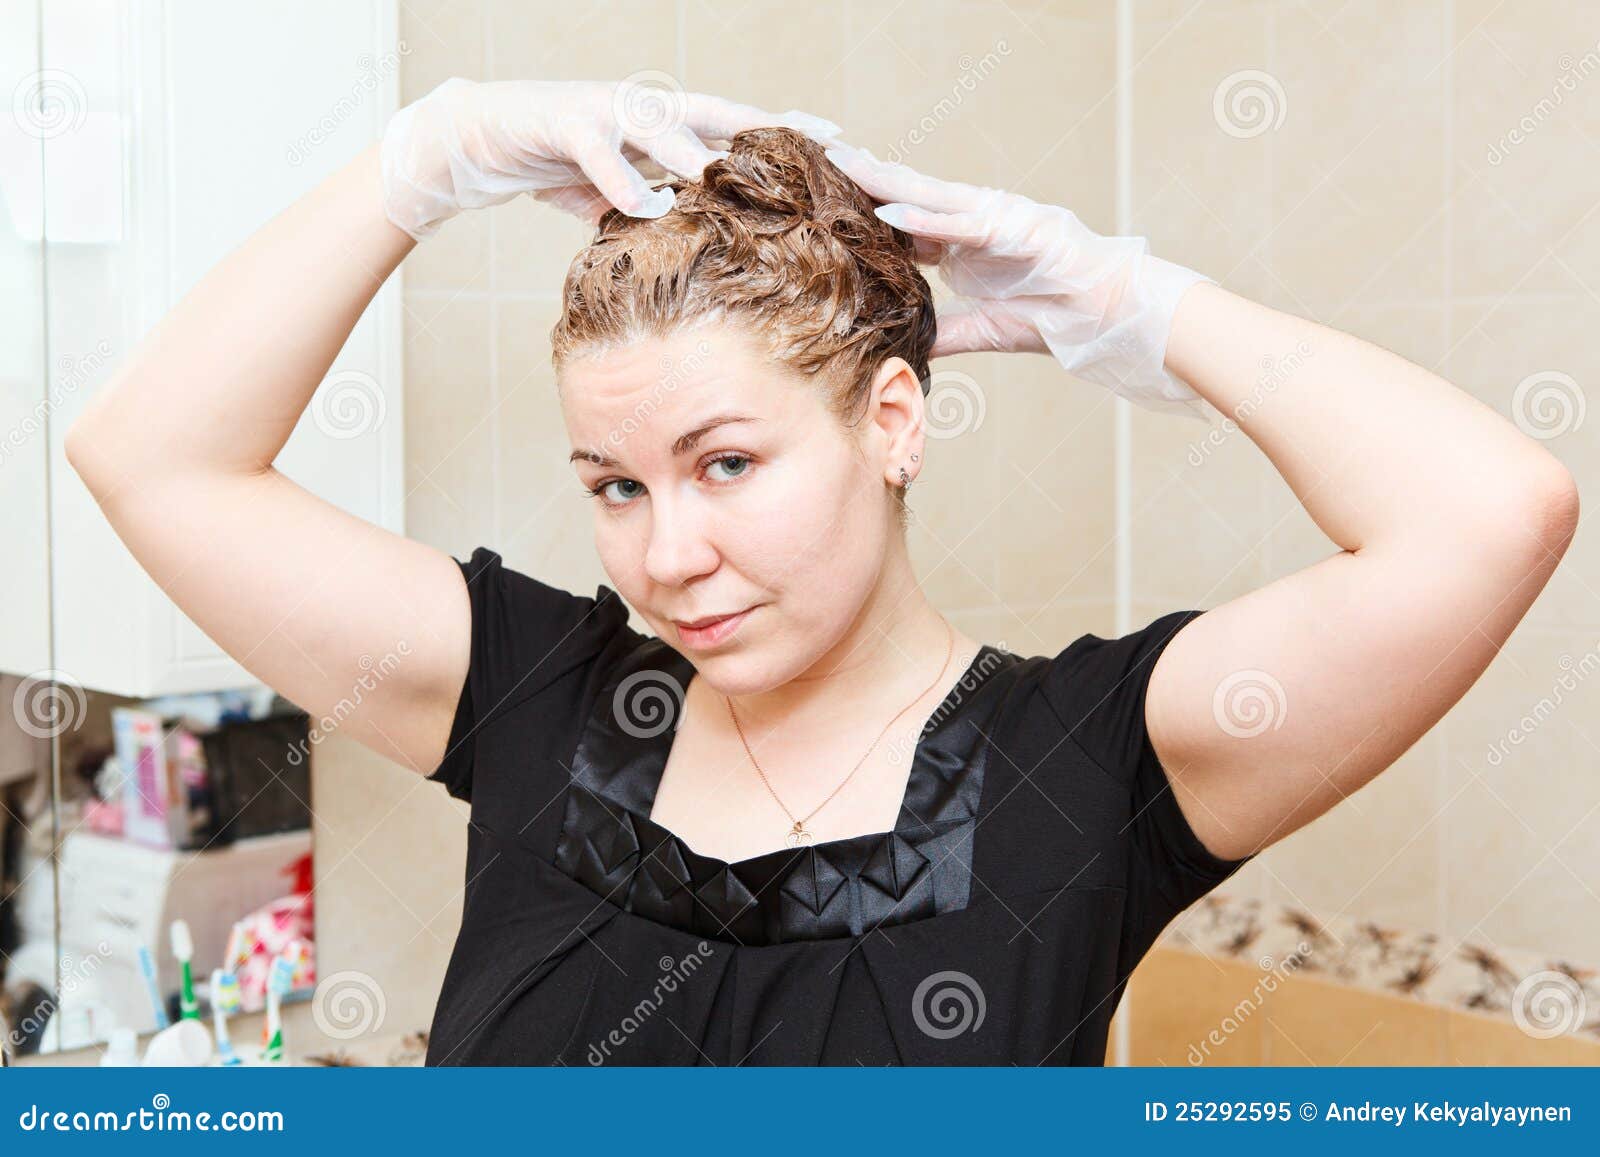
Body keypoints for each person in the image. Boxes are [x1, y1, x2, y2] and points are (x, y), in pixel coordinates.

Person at [65, 77, 1578, 1066]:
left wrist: (1121, 299)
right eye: (614, 484)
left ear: (894, 423)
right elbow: (153, 458)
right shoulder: (536, 701)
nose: (669, 553)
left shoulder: (1086, 767)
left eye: (729, 464)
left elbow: (1495, 510)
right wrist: (425, 156)